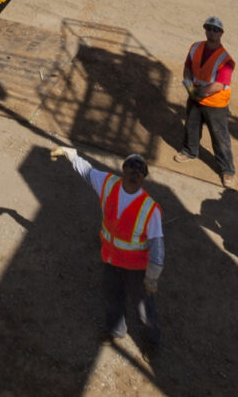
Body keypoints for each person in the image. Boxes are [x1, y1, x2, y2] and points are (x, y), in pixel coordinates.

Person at [50, 144, 162, 358]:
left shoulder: (150, 208)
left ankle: (152, 342)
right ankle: (115, 330)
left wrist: (153, 277)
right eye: (132, 167)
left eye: (140, 170)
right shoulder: (108, 184)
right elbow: (87, 171)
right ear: (124, 169)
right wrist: (69, 154)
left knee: (144, 308)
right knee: (113, 298)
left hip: (137, 268)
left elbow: (158, 247)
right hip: (111, 261)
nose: (135, 172)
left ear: (144, 178)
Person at [176, 17, 237, 183]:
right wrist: (189, 86)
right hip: (195, 96)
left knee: (219, 137)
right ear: (205, 29)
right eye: (209, 28)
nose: (212, 32)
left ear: (221, 34)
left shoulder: (226, 60)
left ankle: (227, 169)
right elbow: (188, 67)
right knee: (191, 126)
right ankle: (190, 151)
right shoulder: (195, 47)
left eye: (215, 30)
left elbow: (219, 85)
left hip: (215, 103)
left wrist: (199, 92)